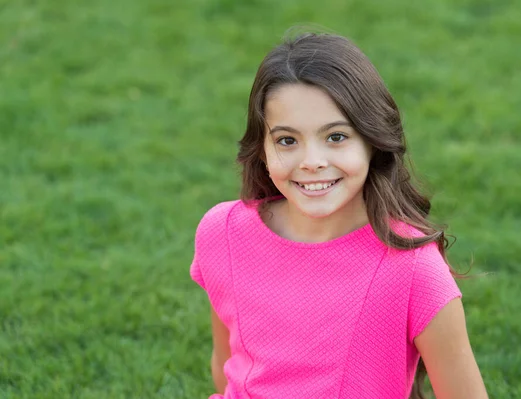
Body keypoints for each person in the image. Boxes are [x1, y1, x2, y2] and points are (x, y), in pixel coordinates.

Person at [190, 30, 488, 399]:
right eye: (287, 140)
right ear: (262, 150)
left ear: (372, 140)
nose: (312, 162)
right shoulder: (223, 233)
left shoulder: (412, 267)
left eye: (335, 137)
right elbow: (226, 365)